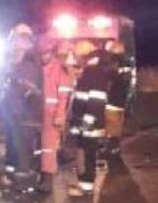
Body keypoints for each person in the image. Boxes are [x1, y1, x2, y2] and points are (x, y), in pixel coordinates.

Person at [68, 40, 114, 194]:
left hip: (88, 124)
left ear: (84, 56)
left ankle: (86, 185)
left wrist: (86, 122)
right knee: (86, 152)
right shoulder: (93, 70)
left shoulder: (93, 72)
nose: (76, 60)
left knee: (87, 152)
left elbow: (95, 100)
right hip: (87, 123)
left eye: (77, 57)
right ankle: (84, 183)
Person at [1, 23, 43, 193]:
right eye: (16, 39)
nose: (17, 43)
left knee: (23, 149)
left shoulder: (31, 64)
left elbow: (32, 90)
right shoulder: (9, 61)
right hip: (11, 111)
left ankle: (24, 183)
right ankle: (11, 175)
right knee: (12, 145)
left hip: (25, 115)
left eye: (22, 39)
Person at [37, 42, 78, 194]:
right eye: (41, 53)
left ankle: (47, 178)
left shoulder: (59, 70)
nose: (43, 56)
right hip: (38, 113)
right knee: (40, 147)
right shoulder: (40, 67)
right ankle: (40, 174)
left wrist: (60, 115)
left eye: (46, 53)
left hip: (52, 114)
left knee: (49, 148)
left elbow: (63, 95)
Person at [104, 39, 132, 155]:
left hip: (112, 99)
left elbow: (109, 80)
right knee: (117, 125)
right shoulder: (127, 63)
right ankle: (115, 146)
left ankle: (110, 147)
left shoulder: (113, 64)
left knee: (111, 125)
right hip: (122, 99)